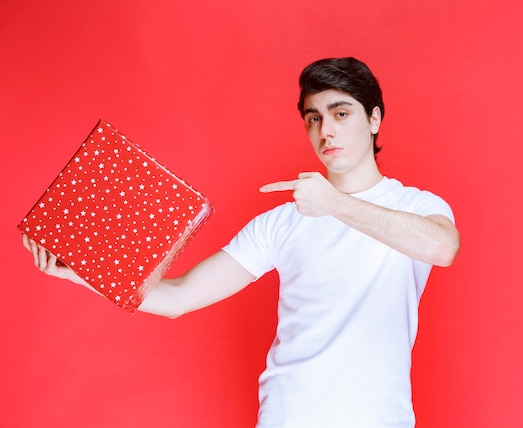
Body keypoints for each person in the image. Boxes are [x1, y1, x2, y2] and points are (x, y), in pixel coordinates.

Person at [24, 57, 460, 428]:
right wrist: (87, 275)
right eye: (314, 117)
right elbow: (179, 296)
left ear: (375, 119)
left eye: (341, 112)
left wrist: (334, 204)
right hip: (288, 416)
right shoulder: (281, 222)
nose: (326, 130)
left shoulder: (417, 206)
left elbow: (441, 248)